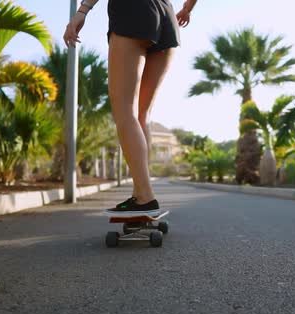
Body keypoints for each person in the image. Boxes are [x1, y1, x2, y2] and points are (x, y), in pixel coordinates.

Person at [63, 0, 197, 216]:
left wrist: (82, 11)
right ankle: (139, 194)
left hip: (132, 10)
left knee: (125, 112)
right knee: (142, 115)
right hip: (166, 15)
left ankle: (144, 197)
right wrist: (188, 8)